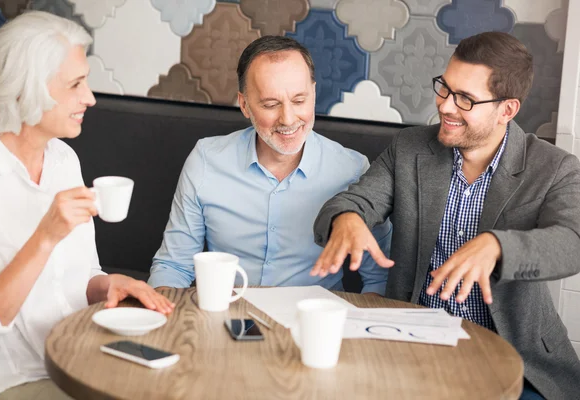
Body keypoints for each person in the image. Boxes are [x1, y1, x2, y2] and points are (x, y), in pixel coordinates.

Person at [312, 32, 580, 399]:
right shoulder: (409, 148)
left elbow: (572, 243)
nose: (446, 106)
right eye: (445, 88)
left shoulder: (555, 168)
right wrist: (347, 219)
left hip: (518, 360)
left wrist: (497, 246)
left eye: (466, 99)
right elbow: (356, 200)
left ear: (507, 110)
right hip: (412, 347)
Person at [0, 11, 173, 400]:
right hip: (9, 381)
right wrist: (45, 237)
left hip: (78, 359)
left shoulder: (63, 159)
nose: (90, 98)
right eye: (75, 84)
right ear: (25, 88)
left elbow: (79, 274)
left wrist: (105, 285)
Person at [148, 36, 392, 294]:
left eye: (299, 101)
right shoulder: (206, 159)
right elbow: (174, 266)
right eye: (270, 104)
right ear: (244, 104)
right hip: (225, 317)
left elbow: (380, 278)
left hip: (310, 322)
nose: (288, 119)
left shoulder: (352, 170)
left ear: (314, 94)